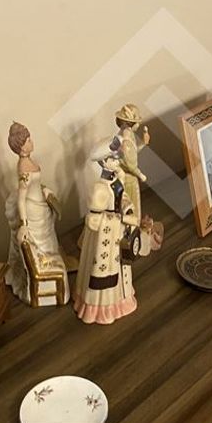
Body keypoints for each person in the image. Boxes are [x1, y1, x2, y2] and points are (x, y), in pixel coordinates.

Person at [73, 138, 140, 324]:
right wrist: (121, 219)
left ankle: (120, 300)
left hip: (118, 235)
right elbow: (94, 222)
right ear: (103, 162)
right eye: (112, 158)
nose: (116, 161)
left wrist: (128, 210)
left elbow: (123, 198)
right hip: (107, 239)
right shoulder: (100, 189)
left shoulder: (116, 181)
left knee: (121, 266)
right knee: (107, 271)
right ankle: (101, 308)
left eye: (116, 157)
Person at [4, 122, 68, 306]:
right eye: (28, 140)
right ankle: (43, 279)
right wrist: (24, 224)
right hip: (32, 211)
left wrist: (44, 191)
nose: (31, 142)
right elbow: (21, 198)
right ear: (21, 146)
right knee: (40, 243)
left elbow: (35, 185)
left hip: (39, 205)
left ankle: (54, 261)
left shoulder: (28, 162)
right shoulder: (24, 167)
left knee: (49, 240)